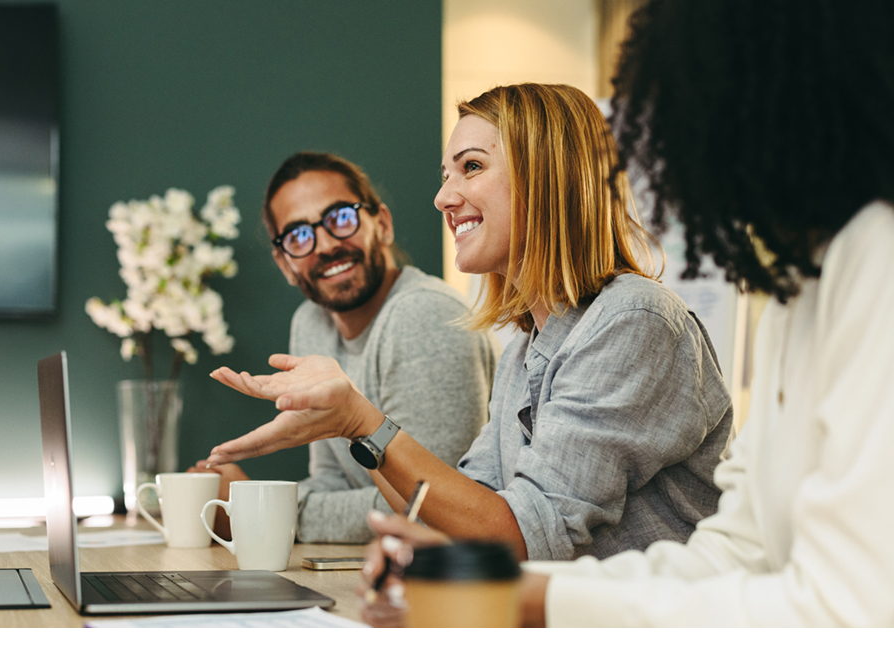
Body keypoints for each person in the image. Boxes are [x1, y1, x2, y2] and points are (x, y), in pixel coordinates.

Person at [364, 0, 894, 628]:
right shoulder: (793, 289)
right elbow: (733, 552)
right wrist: (505, 587)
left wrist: (361, 424)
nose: (666, 147)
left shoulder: (872, 256)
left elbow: (851, 611)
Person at [205, 83, 733, 562]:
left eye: (472, 167)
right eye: (445, 176)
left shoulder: (633, 320)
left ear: (544, 174)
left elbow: (523, 536)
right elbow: (460, 511)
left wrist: (360, 421)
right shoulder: (527, 348)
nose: (442, 198)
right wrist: (352, 430)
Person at [192, 152, 497, 543]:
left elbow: (430, 511)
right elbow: (332, 482)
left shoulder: (424, 315)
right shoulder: (311, 323)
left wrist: (257, 510)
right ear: (285, 264)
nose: (324, 245)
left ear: (382, 224)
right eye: (299, 236)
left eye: (339, 217)